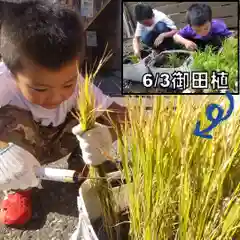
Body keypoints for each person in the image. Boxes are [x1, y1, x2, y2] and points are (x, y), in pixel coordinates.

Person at [0, 0, 127, 226]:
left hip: (62, 139)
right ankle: (20, 186)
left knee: (106, 116)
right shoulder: (3, 82)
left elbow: (114, 111)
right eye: (40, 88)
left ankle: (85, 164)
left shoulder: (78, 84)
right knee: (6, 120)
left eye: (67, 84)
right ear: (12, 73)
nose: (57, 96)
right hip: (24, 151)